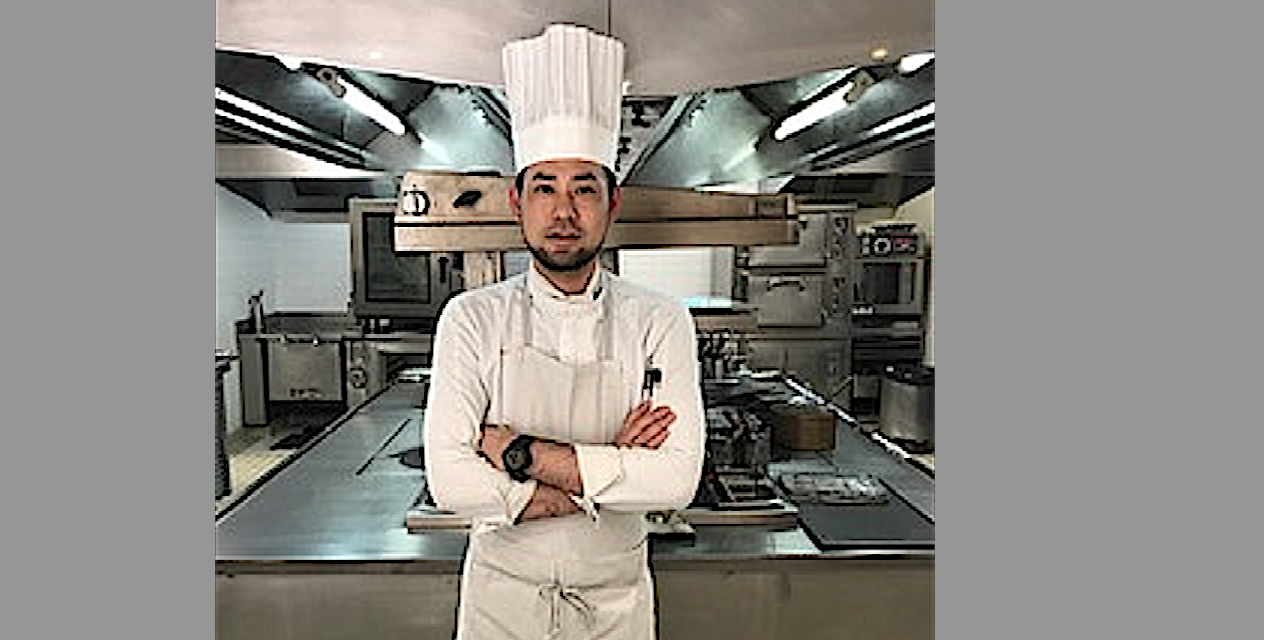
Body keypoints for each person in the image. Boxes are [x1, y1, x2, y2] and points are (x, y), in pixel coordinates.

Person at [422, 24, 705, 640]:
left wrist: (517, 453)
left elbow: (677, 480)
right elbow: (447, 478)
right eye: (545, 187)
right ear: (516, 201)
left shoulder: (660, 319)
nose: (564, 211)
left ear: (613, 203)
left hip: (616, 607)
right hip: (502, 604)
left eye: (585, 187)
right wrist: (613, 471)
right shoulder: (472, 318)